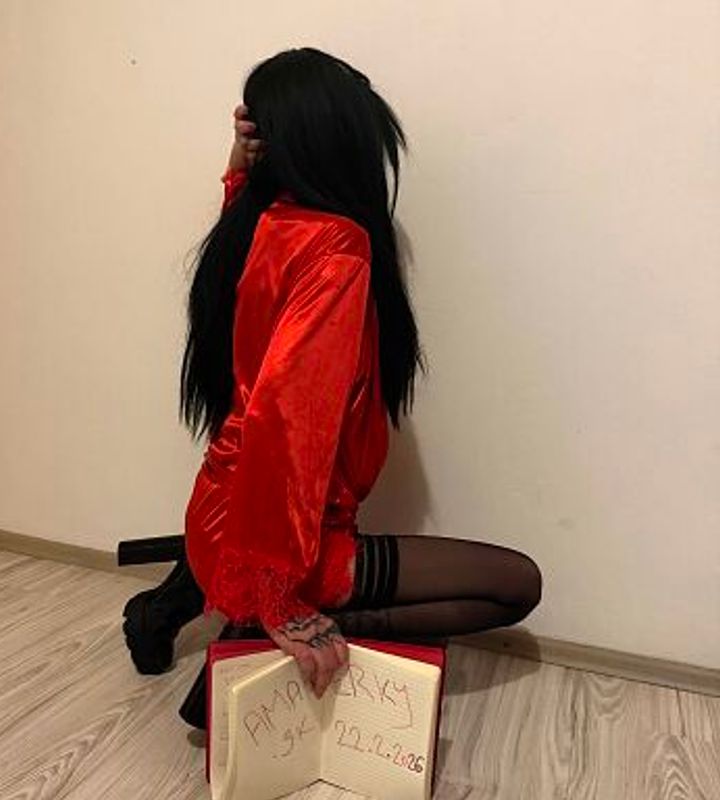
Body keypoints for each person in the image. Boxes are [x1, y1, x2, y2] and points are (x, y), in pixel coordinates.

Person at [122, 47, 542, 722]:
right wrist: (279, 597)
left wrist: (240, 169)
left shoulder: (260, 220)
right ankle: (256, 636)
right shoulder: (337, 245)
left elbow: (271, 398)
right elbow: (287, 420)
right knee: (516, 586)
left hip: (224, 512)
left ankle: (223, 609)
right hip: (276, 540)